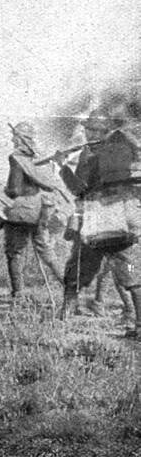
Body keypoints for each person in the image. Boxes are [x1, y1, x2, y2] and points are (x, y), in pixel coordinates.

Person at [58, 108, 141, 336]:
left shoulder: (89, 154)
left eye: (90, 130)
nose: (87, 134)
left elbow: (79, 188)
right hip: (125, 220)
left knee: (76, 269)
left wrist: (62, 167)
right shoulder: (124, 149)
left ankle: (64, 318)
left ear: (97, 131)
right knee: (132, 272)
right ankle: (139, 325)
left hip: (97, 221)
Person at [3, 121, 64, 300]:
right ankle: (69, 289)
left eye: (14, 135)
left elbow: (14, 189)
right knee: (46, 251)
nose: (12, 138)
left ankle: (19, 295)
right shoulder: (40, 157)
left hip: (21, 210)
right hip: (41, 208)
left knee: (15, 252)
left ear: (19, 138)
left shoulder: (16, 158)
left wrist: (6, 191)